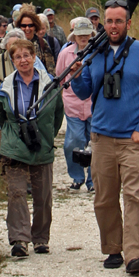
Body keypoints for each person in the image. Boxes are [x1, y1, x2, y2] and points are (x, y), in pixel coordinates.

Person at [70, 0, 139, 274]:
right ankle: (113, 248)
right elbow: (85, 91)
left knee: (135, 196)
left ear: (128, 23)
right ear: (103, 24)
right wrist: (76, 75)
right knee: (105, 197)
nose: (113, 26)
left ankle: (135, 255)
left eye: (118, 21)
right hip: (101, 138)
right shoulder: (95, 54)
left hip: (133, 140)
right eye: (109, 21)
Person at [0, 36, 64, 257]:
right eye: (18, 57)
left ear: (34, 57)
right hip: (14, 145)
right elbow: (1, 114)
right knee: (16, 192)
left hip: (41, 143)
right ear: (12, 61)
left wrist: (46, 135)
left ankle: (41, 238)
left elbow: (57, 114)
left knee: (43, 195)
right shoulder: (6, 87)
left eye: (27, 55)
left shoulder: (49, 85)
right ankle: (19, 239)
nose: (23, 60)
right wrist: (11, 135)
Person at [55, 16, 95, 191]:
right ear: (74, 36)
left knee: (95, 141)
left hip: (94, 104)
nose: (83, 37)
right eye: (80, 34)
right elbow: (60, 76)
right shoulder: (66, 53)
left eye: (87, 34)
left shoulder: (98, 52)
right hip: (73, 103)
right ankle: (77, 176)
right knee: (74, 140)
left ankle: (94, 180)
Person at [15, 5, 58, 74]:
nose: (27, 29)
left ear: (35, 26)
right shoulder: (14, 44)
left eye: (30, 25)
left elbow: (51, 69)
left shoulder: (42, 43)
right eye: (24, 26)